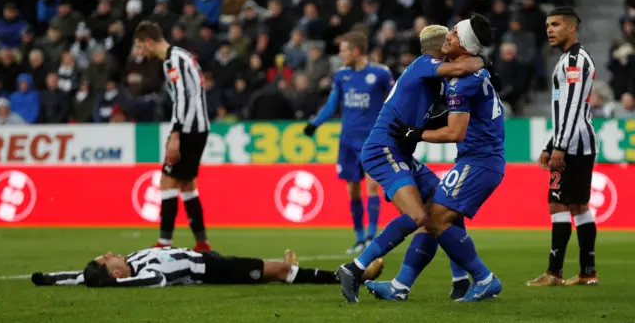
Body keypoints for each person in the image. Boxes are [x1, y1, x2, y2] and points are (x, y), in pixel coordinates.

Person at [335, 24, 487, 303]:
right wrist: (480, 59)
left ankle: (461, 280)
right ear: (442, 45)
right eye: (449, 39)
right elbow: (460, 70)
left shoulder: (431, 77)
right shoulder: (424, 64)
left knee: (447, 208)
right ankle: (354, 268)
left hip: (400, 152)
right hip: (384, 149)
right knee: (420, 217)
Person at [303, 31, 394, 254]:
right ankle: (359, 237)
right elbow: (333, 104)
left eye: (343, 50)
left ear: (355, 51)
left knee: (372, 185)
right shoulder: (342, 75)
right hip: (347, 141)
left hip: (372, 140)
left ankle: (372, 236)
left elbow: (394, 101)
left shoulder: (380, 73)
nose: (341, 55)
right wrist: (315, 124)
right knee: (353, 190)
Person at [526, 7, 598, 287]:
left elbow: (572, 107)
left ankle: (554, 273)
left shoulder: (575, 61)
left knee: (558, 203)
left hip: (574, 145)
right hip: (576, 141)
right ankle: (587, 272)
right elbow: (564, 111)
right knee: (579, 205)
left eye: (555, 24)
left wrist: (560, 147)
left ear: (572, 28)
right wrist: (550, 143)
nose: (549, 30)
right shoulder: (567, 61)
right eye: (547, 25)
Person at [133, 21, 211, 252]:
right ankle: (201, 242)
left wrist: (176, 132)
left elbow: (183, 97)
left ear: (149, 41)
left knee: (167, 180)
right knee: (187, 184)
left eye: (140, 45)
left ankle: (164, 242)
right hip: (198, 127)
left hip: (188, 129)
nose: (140, 51)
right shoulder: (181, 55)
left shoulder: (172, 60)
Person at [30, 248, 384, 288]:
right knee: (277, 270)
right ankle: (352, 275)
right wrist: (113, 286)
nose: (109, 253)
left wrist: (47, 279)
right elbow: (155, 281)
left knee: (277, 269)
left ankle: (292, 269)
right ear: (116, 273)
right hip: (213, 271)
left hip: (212, 261)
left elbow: (80, 277)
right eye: (107, 260)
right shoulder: (146, 275)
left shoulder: (132, 262)